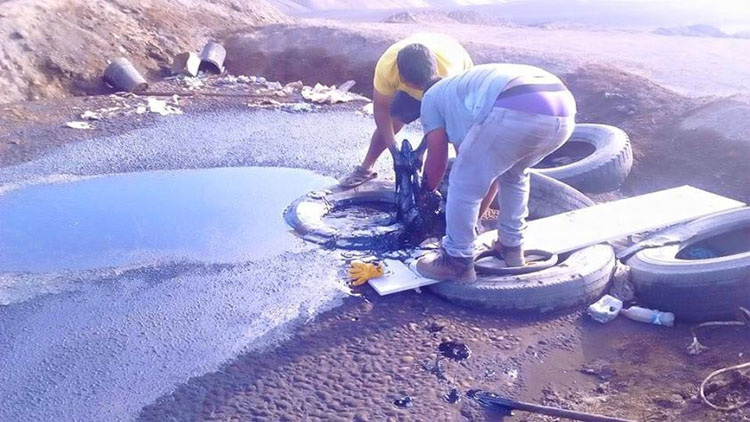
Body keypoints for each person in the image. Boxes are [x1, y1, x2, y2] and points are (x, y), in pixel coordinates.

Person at [414, 63, 577, 283]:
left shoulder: (431, 97)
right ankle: (511, 246)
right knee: (514, 174)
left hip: (516, 107)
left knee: (463, 181)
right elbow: (484, 162)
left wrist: (424, 195)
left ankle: (457, 260)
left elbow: (437, 161)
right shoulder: (461, 90)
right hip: (563, 110)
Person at [339, 33, 473, 188]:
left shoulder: (449, 75)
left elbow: (440, 127)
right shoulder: (388, 67)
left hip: (450, 85)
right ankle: (366, 169)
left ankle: (459, 181)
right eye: (416, 87)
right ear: (402, 79)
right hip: (423, 78)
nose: (421, 95)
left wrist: (421, 151)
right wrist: (394, 151)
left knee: (460, 139)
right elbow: (381, 110)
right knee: (394, 121)